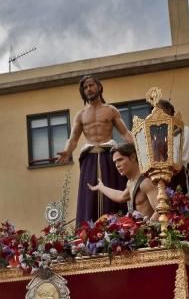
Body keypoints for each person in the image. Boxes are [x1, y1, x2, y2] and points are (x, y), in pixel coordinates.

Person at [57, 75, 134, 223]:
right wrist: (67, 151)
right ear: (83, 92)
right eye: (85, 88)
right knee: (89, 194)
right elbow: (73, 139)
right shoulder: (80, 115)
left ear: (99, 87)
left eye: (91, 85)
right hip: (90, 158)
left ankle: (119, 228)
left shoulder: (110, 110)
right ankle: (88, 231)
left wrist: (140, 150)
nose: (89, 89)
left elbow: (125, 133)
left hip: (109, 156)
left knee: (112, 190)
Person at [86, 142, 158, 220]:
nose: (117, 165)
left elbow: (161, 210)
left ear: (133, 157)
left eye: (120, 160)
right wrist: (101, 187)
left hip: (150, 230)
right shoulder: (130, 183)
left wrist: (147, 227)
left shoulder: (146, 182)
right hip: (138, 230)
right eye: (115, 162)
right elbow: (121, 196)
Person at [157, 99, 189, 199]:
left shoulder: (184, 129)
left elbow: (182, 157)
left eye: (159, 111)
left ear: (168, 110)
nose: (157, 115)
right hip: (161, 176)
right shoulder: (156, 133)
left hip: (177, 173)